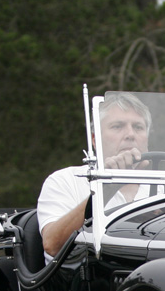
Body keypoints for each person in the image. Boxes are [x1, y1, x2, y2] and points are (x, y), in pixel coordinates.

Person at [37, 92, 153, 259]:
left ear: (147, 139)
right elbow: (52, 245)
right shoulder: (65, 181)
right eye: (117, 126)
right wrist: (105, 190)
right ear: (94, 139)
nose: (130, 134)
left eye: (138, 127)